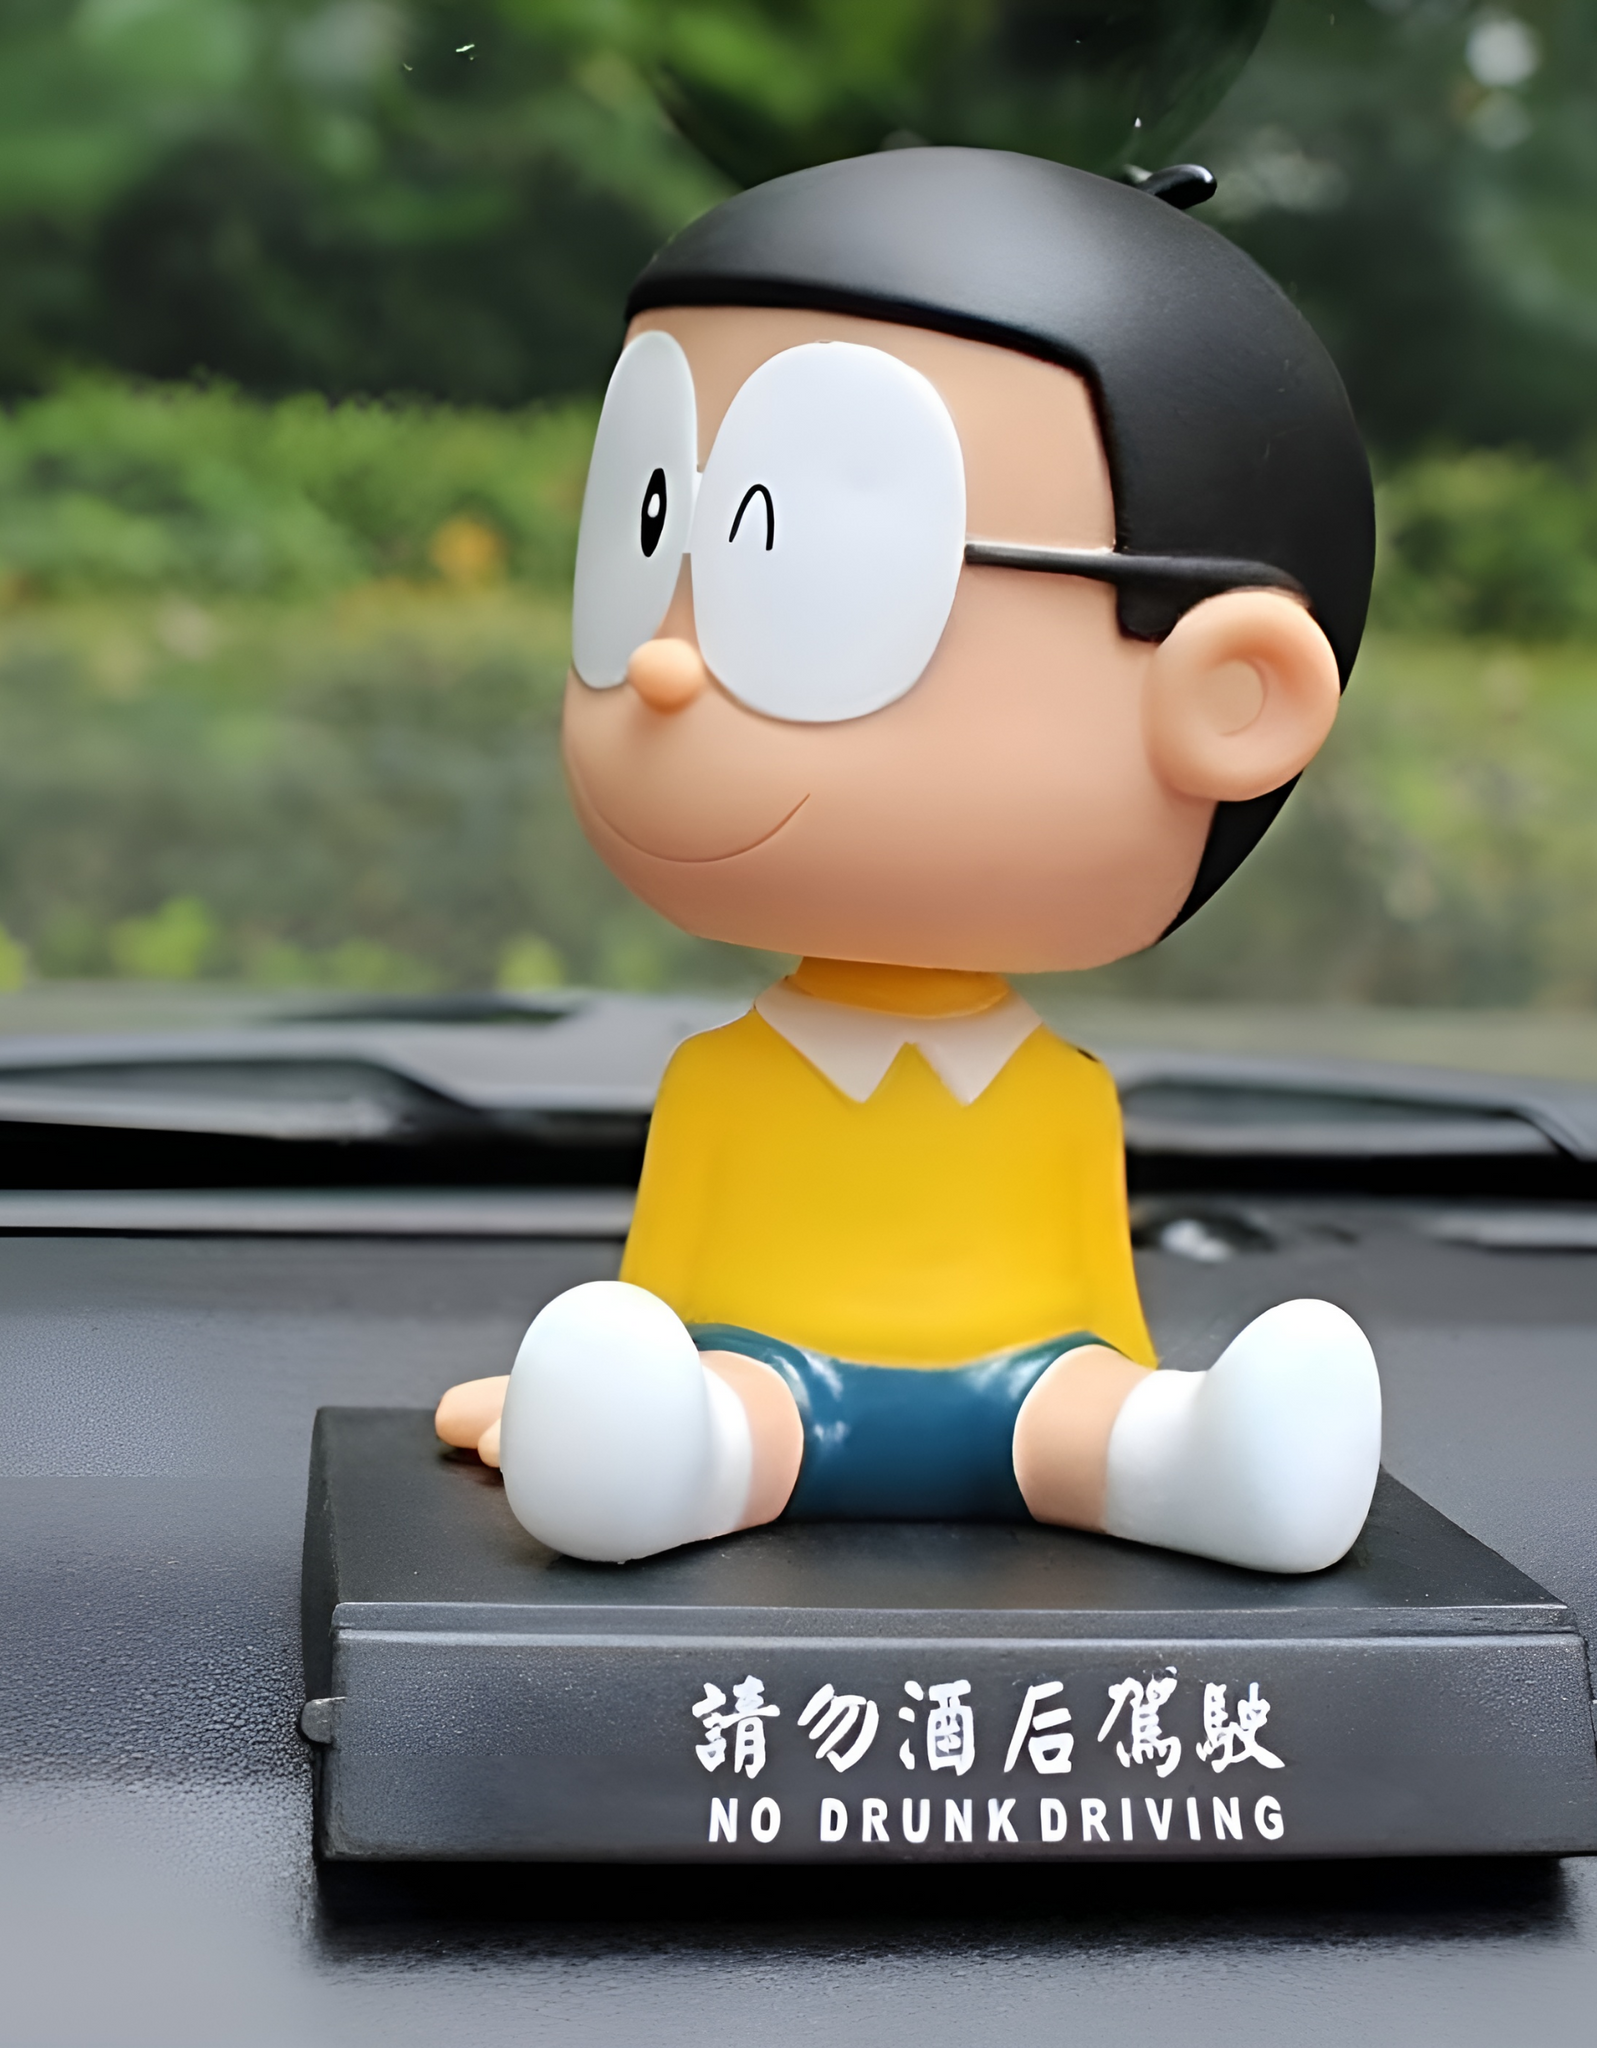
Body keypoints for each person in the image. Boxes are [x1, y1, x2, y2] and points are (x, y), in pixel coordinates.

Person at [436, 146, 1382, 1574]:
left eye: (798, 566)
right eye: (645, 535)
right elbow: (658, 1302)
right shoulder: (723, 1085)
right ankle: (649, 1454)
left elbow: (1104, 1313)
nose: (666, 665)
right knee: (692, 1406)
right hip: (768, 1384)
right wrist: (596, 1383)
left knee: (1101, 1413)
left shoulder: (1064, 1097)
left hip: (1033, 1393)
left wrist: (1136, 1390)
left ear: (1232, 699)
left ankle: (1199, 1463)